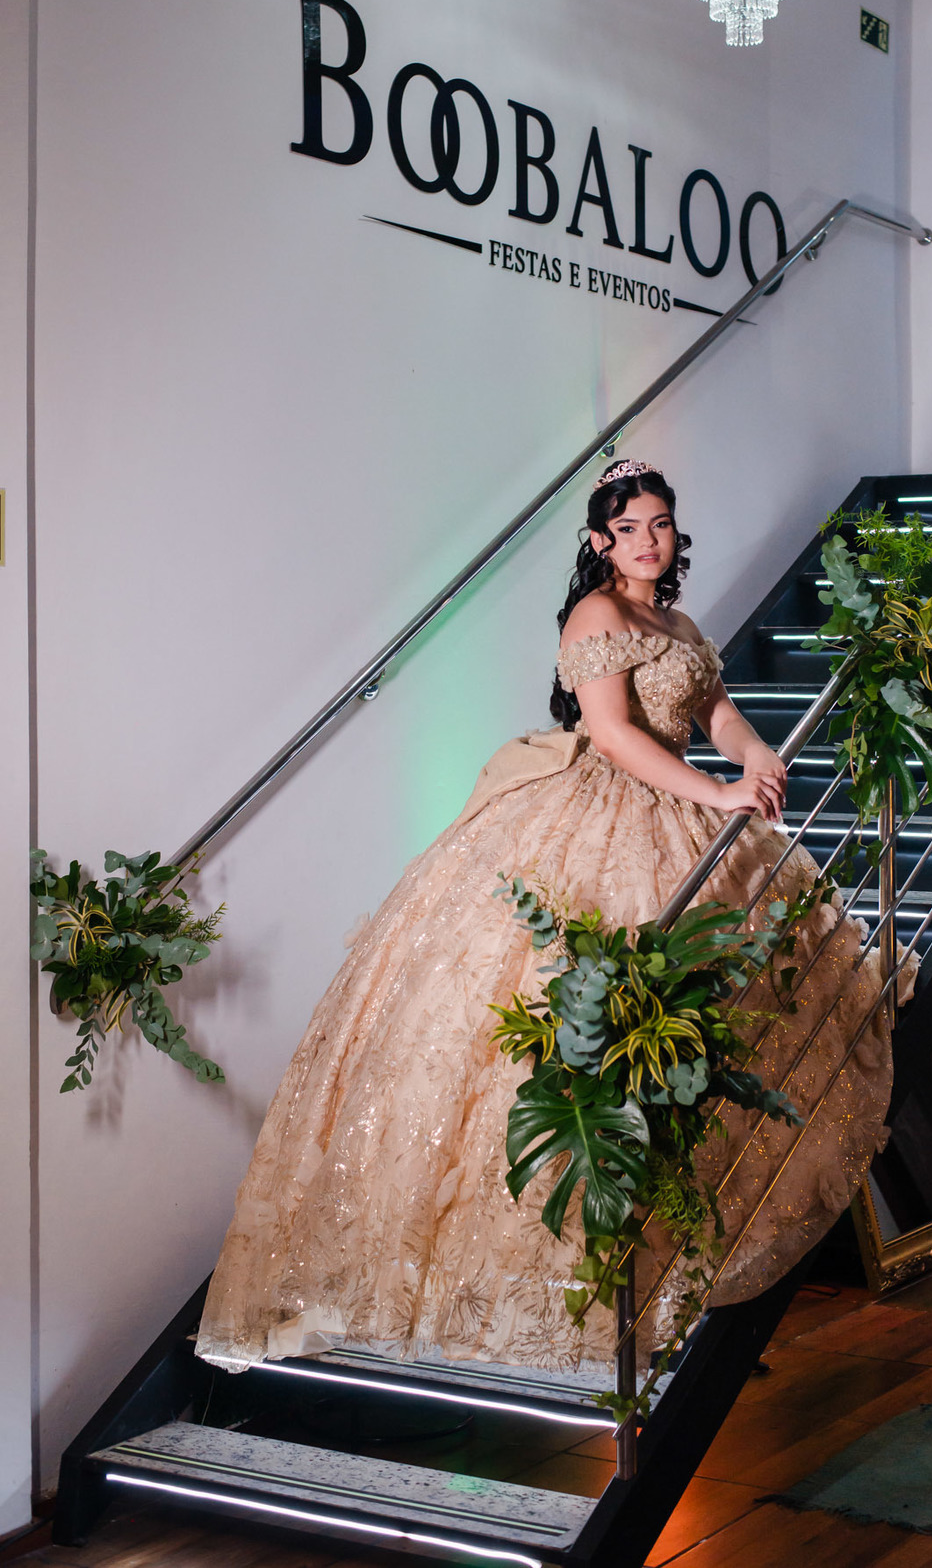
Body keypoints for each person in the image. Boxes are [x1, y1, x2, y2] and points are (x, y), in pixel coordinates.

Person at [196, 461, 896, 1376]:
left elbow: (717, 712)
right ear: (600, 541)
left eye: (661, 524)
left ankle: (666, 1276)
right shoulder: (595, 616)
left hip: (684, 805)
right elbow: (613, 733)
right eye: (630, 528)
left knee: (716, 1022)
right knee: (588, 1021)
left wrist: (754, 757)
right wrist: (716, 794)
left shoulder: (678, 624)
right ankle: (564, 1285)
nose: (649, 541)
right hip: (610, 805)